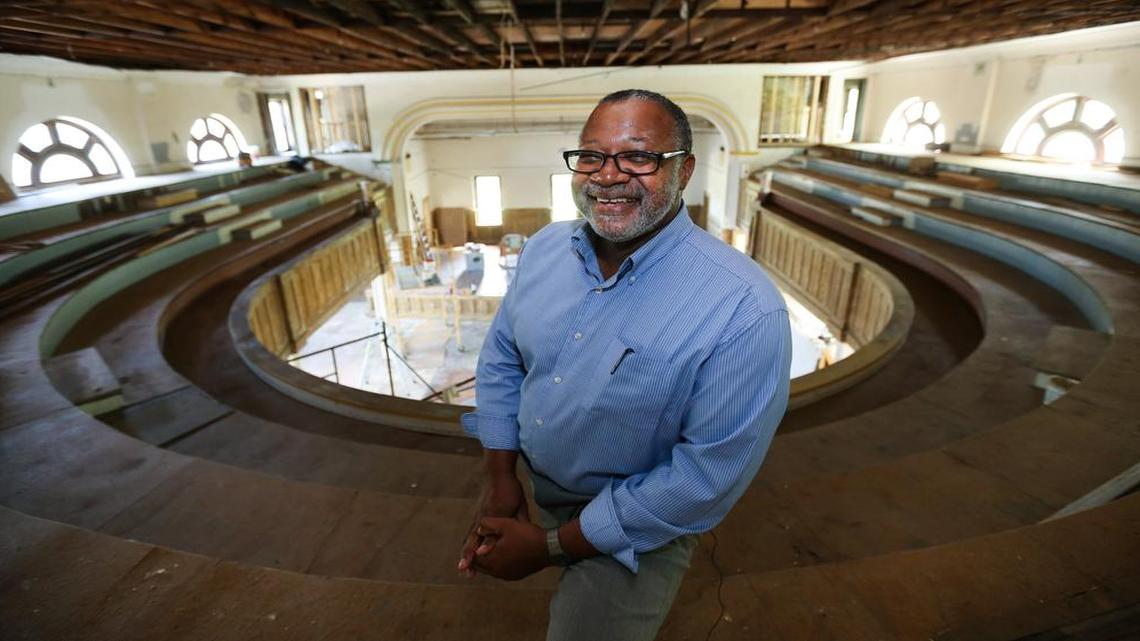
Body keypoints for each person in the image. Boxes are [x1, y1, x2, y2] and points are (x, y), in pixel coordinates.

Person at [457, 89, 792, 641]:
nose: (608, 176)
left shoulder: (743, 308)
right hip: (533, 481)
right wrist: (501, 479)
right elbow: (502, 358)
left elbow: (702, 479)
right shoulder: (544, 248)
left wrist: (547, 547)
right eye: (591, 155)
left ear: (683, 171)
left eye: (638, 157)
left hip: (641, 517)